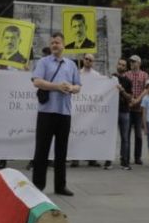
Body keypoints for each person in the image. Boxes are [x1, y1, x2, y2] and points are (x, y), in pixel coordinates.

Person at [31, 33, 81, 195]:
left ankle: (60, 186)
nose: (54, 45)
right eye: (52, 42)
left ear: (63, 45)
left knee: (62, 151)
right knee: (41, 150)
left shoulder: (71, 65)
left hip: (64, 113)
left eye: (57, 42)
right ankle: (38, 186)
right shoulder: (43, 62)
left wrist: (71, 88)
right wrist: (57, 86)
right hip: (46, 113)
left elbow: (78, 86)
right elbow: (37, 81)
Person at [71, 54, 106, 167]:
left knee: (91, 134)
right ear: (83, 60)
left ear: (93, 62)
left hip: (91, 109)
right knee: (76, 133)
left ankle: (92, 158)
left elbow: (103, 86)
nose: (88, 61)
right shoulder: (77, 73)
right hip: (78, 107)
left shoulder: (97, 75)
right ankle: (75, 158)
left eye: (90, 60)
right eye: (86, 59)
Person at [123, 55, 149, 167]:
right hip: (128, 107)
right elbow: (123, 88)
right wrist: (130, 100)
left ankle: (137, 157)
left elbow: (147, 88)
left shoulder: (144, 75)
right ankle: (126, 157)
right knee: (126, 134)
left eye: (134, 62)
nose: (132, 64)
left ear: (139, 63)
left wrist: (137, 100)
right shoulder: (126, 74)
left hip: (138, 109)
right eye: (131, 62)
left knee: (138, 134)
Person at [112, 58, 133, 170]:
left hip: (124, 111)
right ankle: (108, 160)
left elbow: (130, 97)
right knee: (110, 136)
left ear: (126, 68)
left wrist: (122, 91)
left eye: (123, 65)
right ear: (117, 65)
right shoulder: (111, 78)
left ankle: (124, 161)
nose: (121, 66)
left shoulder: (128, 81)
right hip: (112, 112)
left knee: (125, 137)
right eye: (119, 64)